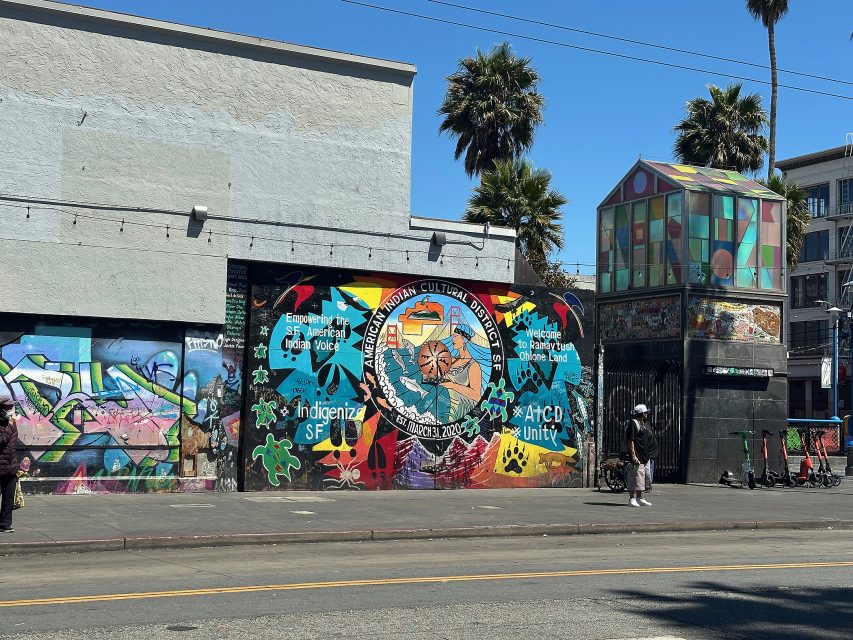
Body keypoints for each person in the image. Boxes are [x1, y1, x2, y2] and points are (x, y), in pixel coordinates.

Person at [625, 403, 656, 507]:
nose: (647, 414)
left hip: (645, 456)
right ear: (642, 413)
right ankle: (631, 498)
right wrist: (633, 456)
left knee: (643, 478)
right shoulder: (633, 424)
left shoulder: (644, 423)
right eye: (646, 412)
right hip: (637, 456)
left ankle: (640, 497)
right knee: (634, 477)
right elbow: (631, 440)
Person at [0, 392, 19, 533]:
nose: (10, 410)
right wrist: (11, 425)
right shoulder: (10, 424)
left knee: (8, 498)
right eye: (7, 407)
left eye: (11, 406)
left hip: (10, 466)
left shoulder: (11, 423)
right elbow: (2, 441)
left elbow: (12, 445)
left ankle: (5, 524)